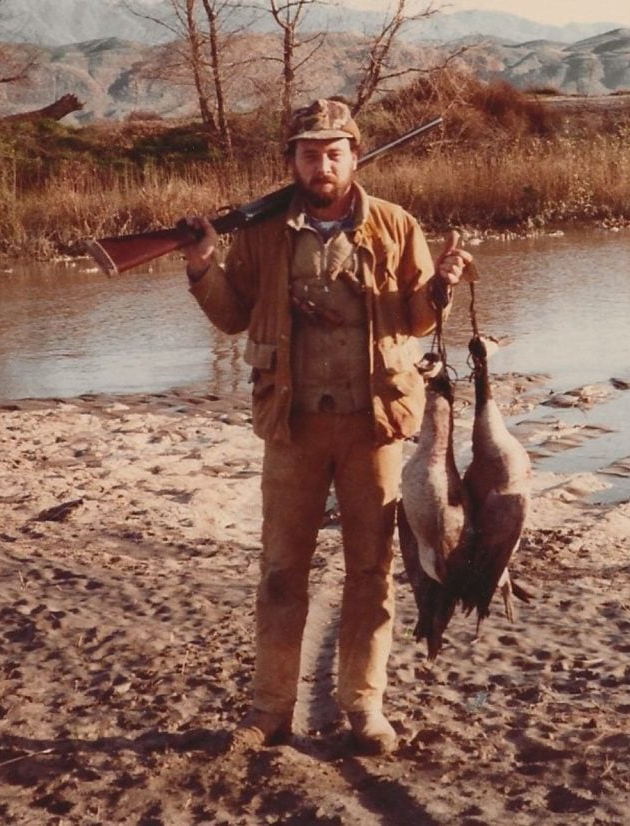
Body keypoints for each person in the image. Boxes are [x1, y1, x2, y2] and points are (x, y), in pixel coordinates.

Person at [181, 98, 472, 755]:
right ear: (291, 161)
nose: (323, 165)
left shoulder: (396, 226)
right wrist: (202, 265)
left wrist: (444, 285)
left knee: (371, 571)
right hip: (294, 427)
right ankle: (270, 710)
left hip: (376, 426)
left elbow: (418, 318)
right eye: (309, 154)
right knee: (282, 573)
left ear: (354, 156)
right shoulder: (260, 234)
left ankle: (364, 707)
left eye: (334, 153)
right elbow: (232, 317)